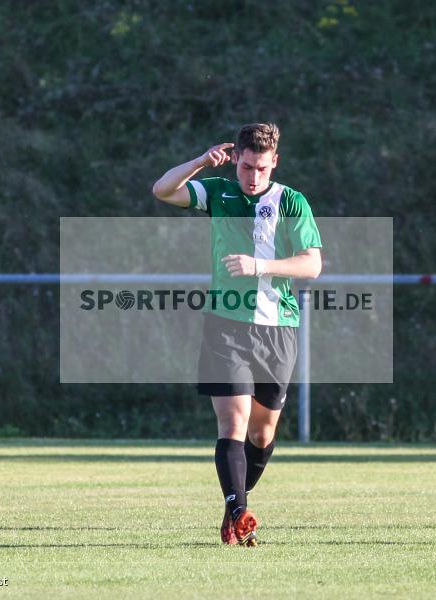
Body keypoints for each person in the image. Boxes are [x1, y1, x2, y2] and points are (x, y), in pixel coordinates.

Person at [153, 123, 322, 545]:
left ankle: (233, 509)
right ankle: (241, 513)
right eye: (246, 167)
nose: (253, 176)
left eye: (261, 168)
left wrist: (259, 265)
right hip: (224, 325)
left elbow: (311, 265)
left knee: (262, 434)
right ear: (237, 162)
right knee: (232, 422)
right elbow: (162, 190)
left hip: (277, 329)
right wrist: (198, 163)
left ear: (274, 162)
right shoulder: (217, 193)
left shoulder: (291, 202)